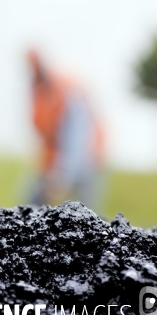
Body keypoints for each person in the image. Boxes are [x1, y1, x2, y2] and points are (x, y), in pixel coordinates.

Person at [26, 47, 105, 208]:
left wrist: (63, 174)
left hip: (87, 155)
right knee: (31, 201)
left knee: (86, 212)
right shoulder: (38, 91)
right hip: (54, 157)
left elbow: (77, 137)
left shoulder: (67, 90)